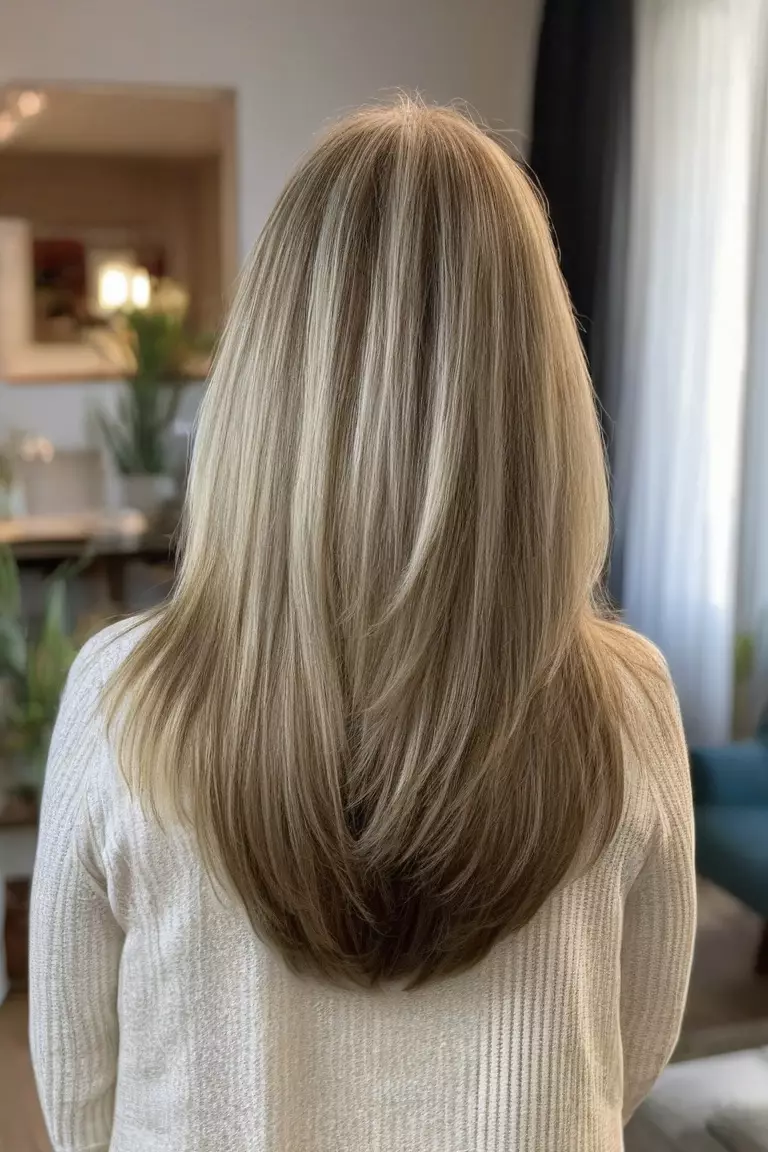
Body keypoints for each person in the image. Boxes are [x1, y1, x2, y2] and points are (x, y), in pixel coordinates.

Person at [29, 100, 695, 1152]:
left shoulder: (123, 697)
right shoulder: (628, 702)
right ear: (542, 394)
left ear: (263, 381)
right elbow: (632, 1051)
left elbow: (77, 1085)